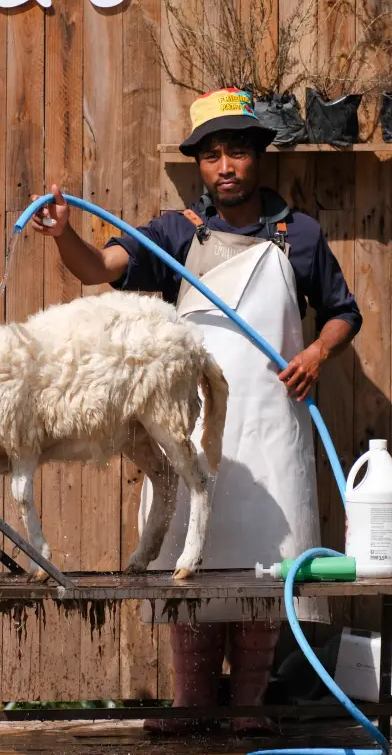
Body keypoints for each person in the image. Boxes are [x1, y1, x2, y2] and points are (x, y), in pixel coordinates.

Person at [30, 87, 362, 736]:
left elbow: (344, 312)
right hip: (191, 431)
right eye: (212, 155)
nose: (225, 166)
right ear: (200, 166)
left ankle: (249, 711)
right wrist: (65, 232)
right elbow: (97, 267)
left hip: (272, 429)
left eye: (237, 151)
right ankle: (192, 705)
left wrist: (319, 352)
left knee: (266, 569)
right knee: (192, 565)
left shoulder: (301, 237)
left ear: (257, 156)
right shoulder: (174, 232)